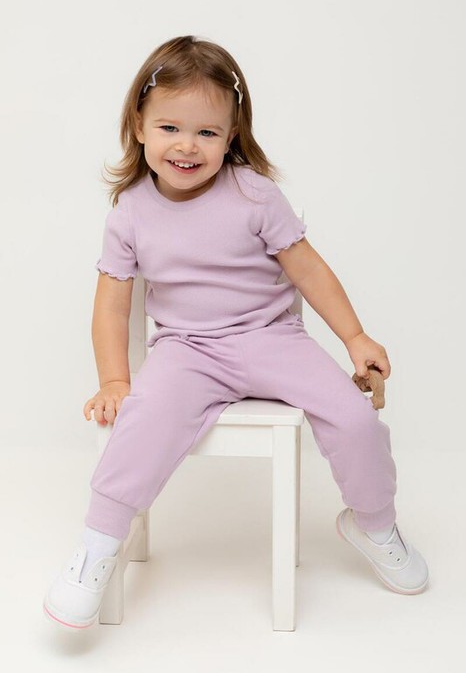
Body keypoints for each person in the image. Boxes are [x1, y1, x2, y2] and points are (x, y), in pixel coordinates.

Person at [43, 35, 429, 629]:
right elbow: (112, 305)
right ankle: (98, 544)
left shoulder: (254, 194)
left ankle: (374, 523)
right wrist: (115, 378)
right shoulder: (130, 214)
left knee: (355, 419)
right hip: (187, 350)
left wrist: (355, 338)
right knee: (143, 421)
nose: (187, 145)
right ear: (139, 126)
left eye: (207, 132)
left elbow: (308, 269)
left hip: (272, 339)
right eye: (169, 127)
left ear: (231, 136)